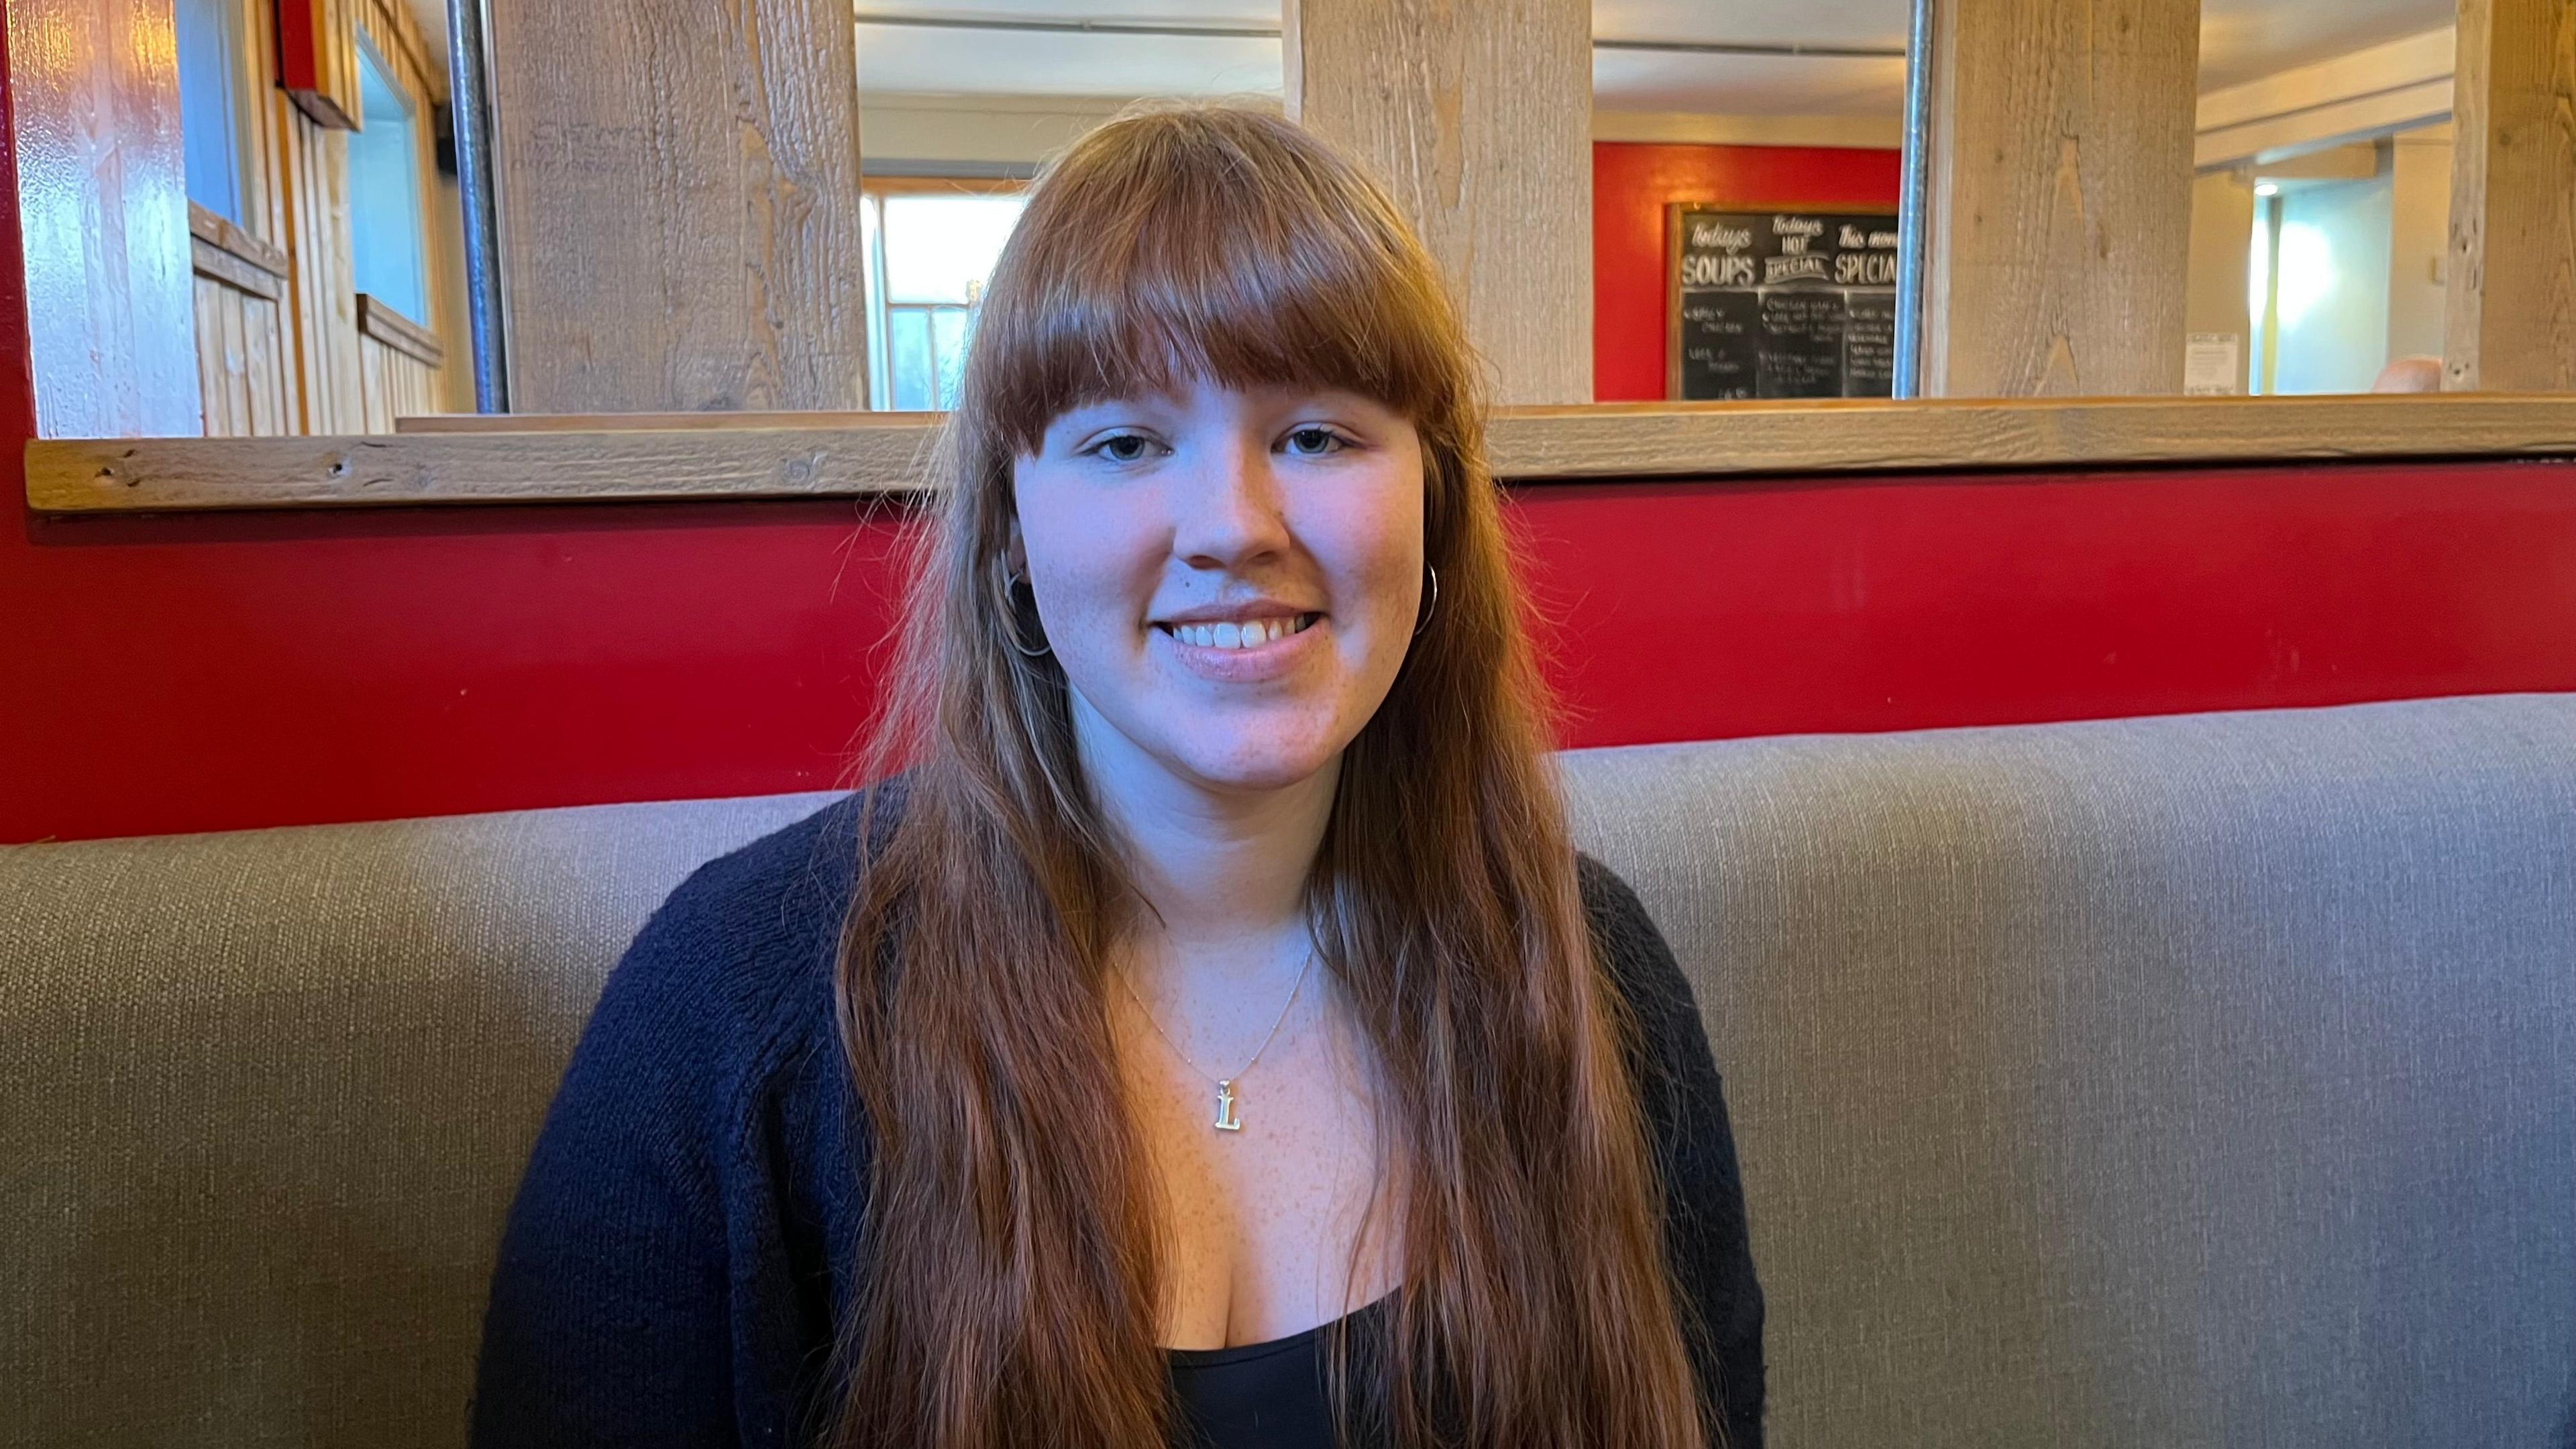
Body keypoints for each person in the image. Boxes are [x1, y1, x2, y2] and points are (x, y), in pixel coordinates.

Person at [470, 102, 1764, 1449]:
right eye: (1125, 442)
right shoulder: (734, 1016)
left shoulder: (1588, 970)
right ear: (1014, 534)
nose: (1231, 528)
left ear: (1430, 501)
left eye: (1317, 434)